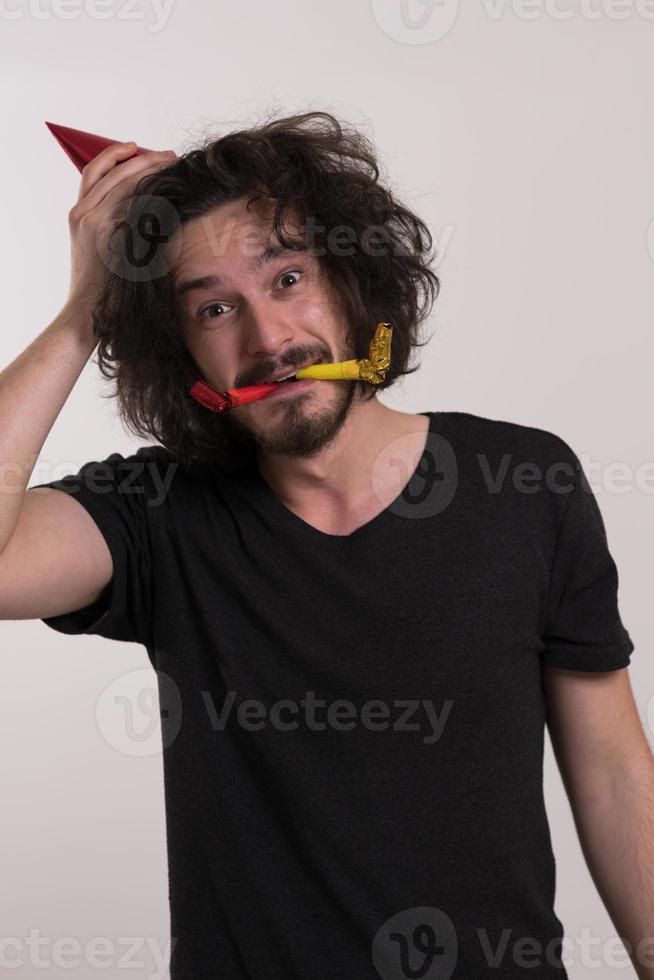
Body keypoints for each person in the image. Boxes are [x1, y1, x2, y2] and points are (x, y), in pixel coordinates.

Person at [1, 111, 651, 980]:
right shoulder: (157, 514)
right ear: (179, 348)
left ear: (351, 284)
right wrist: (89, 308)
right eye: (215, 307)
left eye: (289, 278)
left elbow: (613, 774)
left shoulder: (524, 483)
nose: (268, 341)